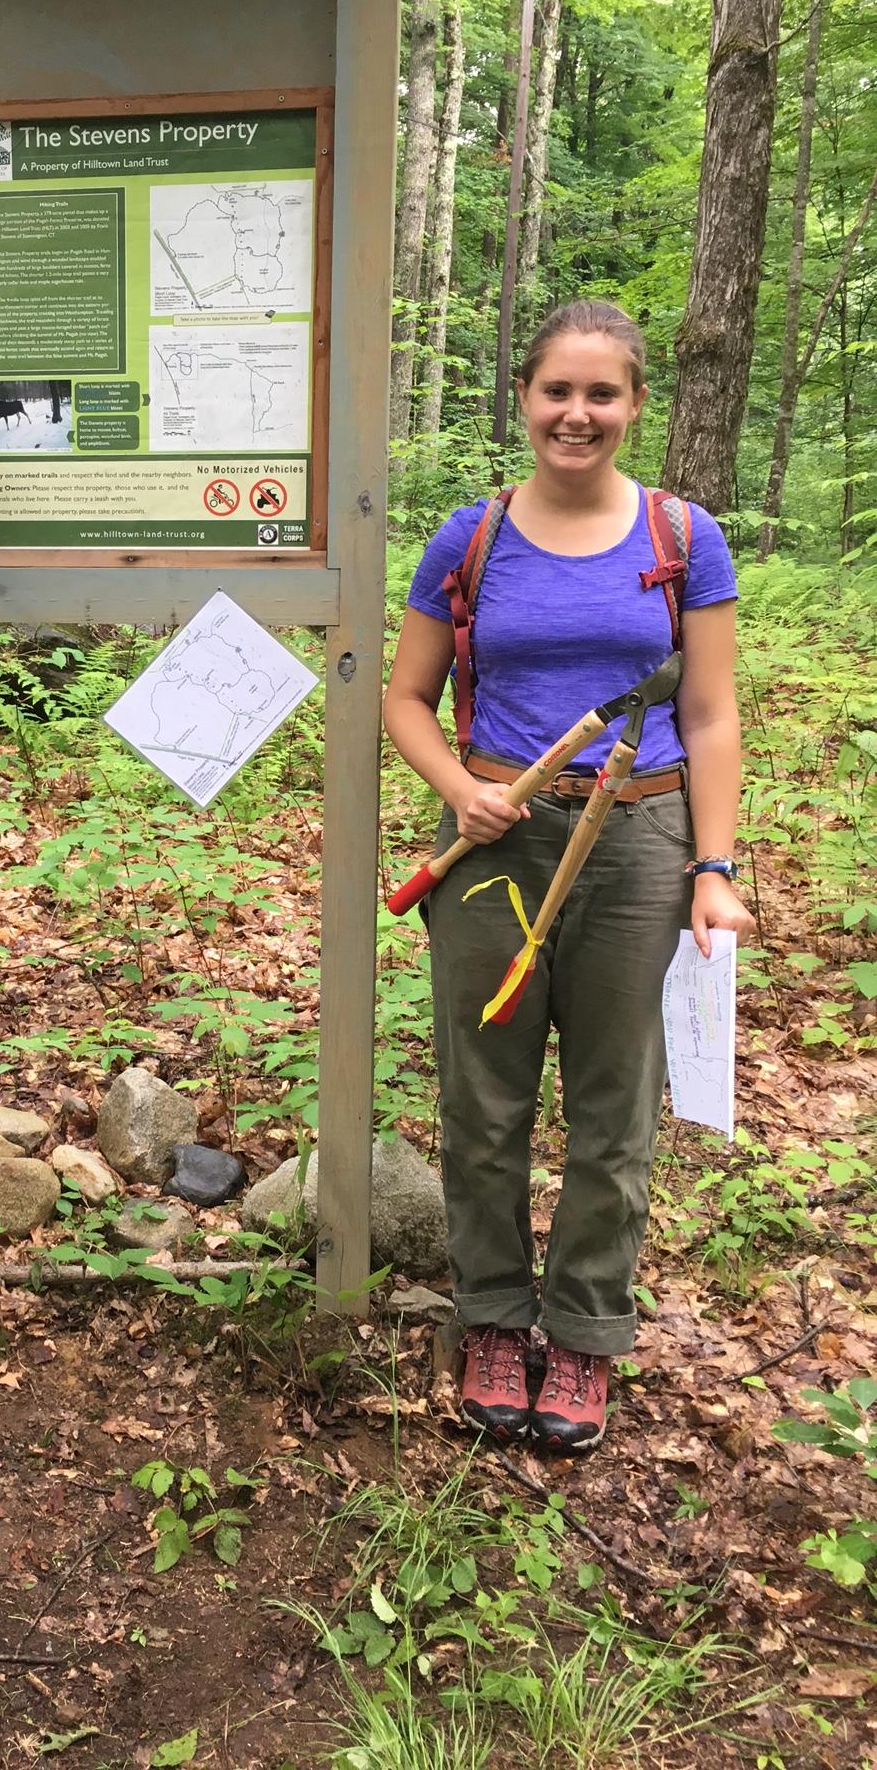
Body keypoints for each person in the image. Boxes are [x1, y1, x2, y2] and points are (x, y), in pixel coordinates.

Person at [382, 300, 754, 1456]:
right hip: (497, 846)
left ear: (636, 404)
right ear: (527, 399)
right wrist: (459, 785)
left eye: (602, 394)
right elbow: (405, 698)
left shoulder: (682, 538)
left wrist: (713, 866)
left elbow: (710, 711)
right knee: (484, 1098)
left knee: (613, 1104)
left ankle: (586, 1331)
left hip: (639, 844)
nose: (576, 414)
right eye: (557, 391)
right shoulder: (471, 538)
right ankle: (494, 1317)